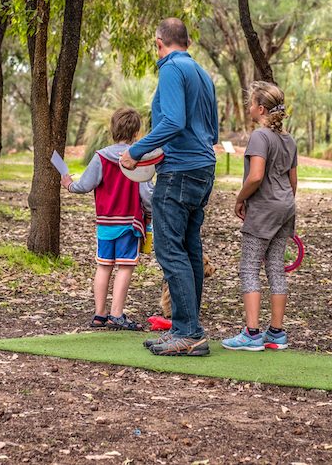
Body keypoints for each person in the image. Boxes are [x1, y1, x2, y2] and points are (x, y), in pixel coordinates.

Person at [121, 18, 219, 357]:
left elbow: (173, 121)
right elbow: (213, 131)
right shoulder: (203, 75)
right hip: (204, 168)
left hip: (179, 171)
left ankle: (189, 331)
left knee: (168, 249)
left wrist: (135, 151)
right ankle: (185, 329)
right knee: (190, 249)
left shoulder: (172, 70)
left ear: (158, 42)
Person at [222, 81, 297, 352]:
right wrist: (284, 204)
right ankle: (276, 333)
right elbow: (293, 181)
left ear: (261, 108)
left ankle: (252, 334)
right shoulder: (289, 139)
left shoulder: (259, 137)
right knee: (275, 267)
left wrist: (240, 198)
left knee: (249, 268)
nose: (249, 107)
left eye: (251, 103)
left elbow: (256, 175)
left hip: (264, 209)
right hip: (285, 208)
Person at [63, 107, 153, 331]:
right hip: (129, 221)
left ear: (112, 129)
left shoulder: (100, 156)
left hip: (105, 222)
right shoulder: (137, 159)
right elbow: (146, 195)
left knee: (103, 266)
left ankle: (100, 313)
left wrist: (68, 184)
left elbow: (85, 185)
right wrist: (151, 213)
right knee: (124, 267)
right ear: (136, 133)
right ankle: (117, 314)